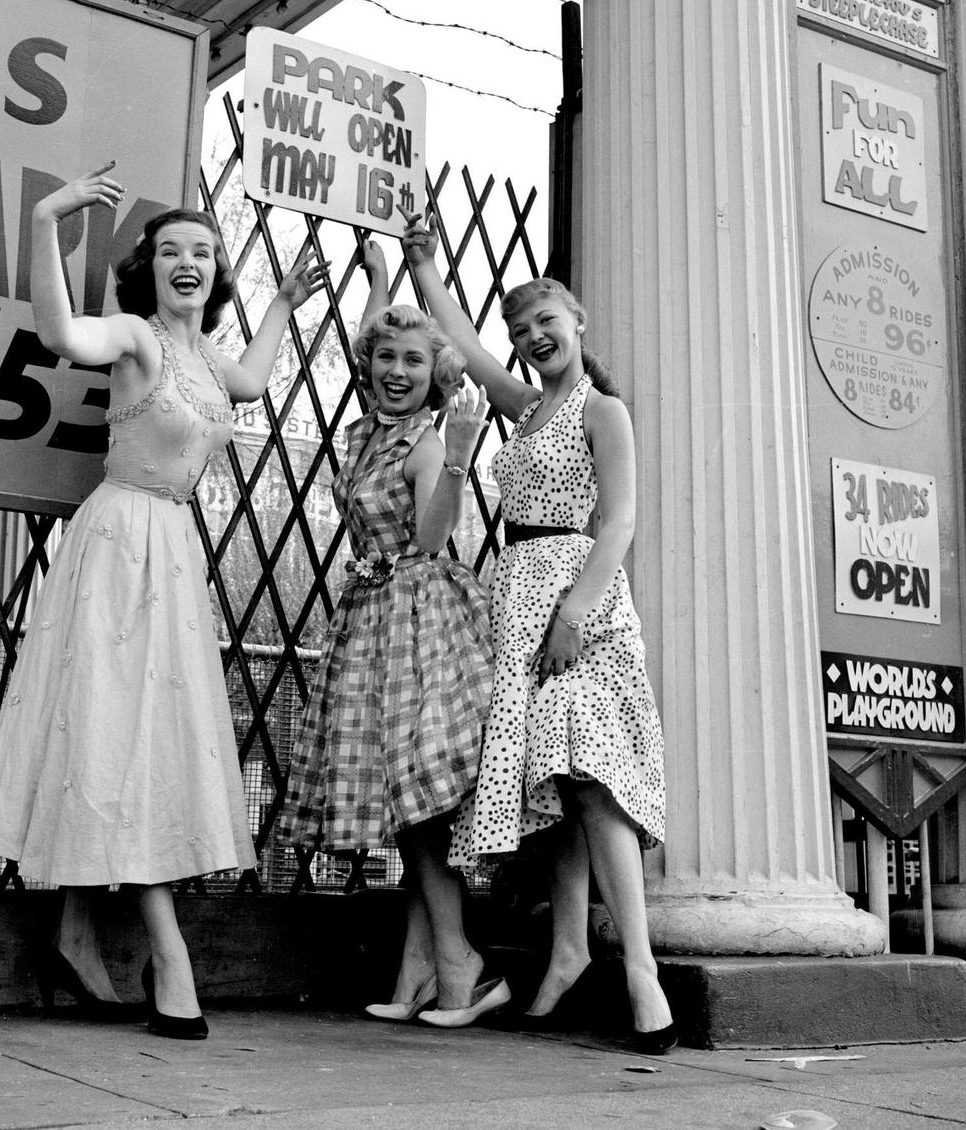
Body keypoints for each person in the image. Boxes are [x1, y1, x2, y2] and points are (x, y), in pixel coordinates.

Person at [0, 163, 327, 1041]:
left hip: (172, 549)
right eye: (172, 251)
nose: (188, 262)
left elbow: (252, 381)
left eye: (203, 250)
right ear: (150, 268)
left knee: (137, 734)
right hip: (119, 541)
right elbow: (59, 332)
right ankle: (171, 956)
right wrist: (48, 216)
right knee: (112, 724)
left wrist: (284, 303)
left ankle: (79, 933)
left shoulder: (205, 357)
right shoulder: (137, 336)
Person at [404, 213, 676, 1053]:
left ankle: (639, 968)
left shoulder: (605, 410)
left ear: (577, 320)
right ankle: (565, 953)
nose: (531, 338)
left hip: (578, 596)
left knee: (590, 770)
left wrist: (575, 613)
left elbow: (622, 520)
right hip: (516, 594)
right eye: (521, 330)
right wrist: (424, 267)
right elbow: (461, 336)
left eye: (545, 321)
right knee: (550, 787)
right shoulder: (524, 406)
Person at [277, 235, 508, 1028]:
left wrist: (459, 462)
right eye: (387, 359)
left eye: (414, 360)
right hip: (372, 618)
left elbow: (436, 537)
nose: (398, 371)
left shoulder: (427, 439)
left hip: (420, 616)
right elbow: (369, 338)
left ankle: (463, 966)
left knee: (421, 799)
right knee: (405, 799)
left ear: (433, 372)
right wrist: (377, 281)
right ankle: (422, 970)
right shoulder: (369, 429)